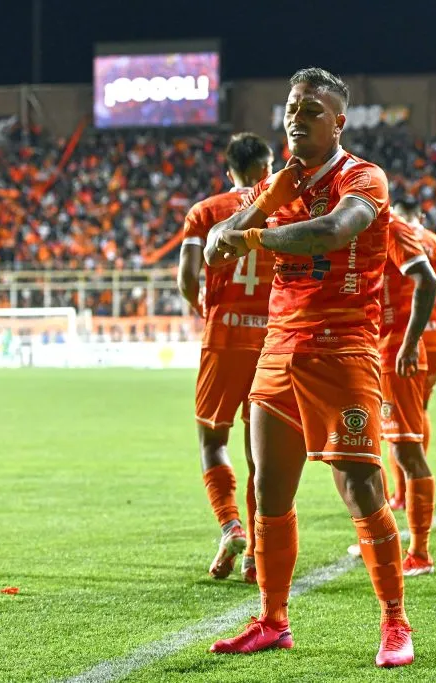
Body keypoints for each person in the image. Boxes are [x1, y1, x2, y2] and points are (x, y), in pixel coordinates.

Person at [204, 67, 415, 667]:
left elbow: (332, 230)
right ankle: (273, 619)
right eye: (292, 107)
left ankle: (396, 623)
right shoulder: (279, 182)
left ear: (339, 122)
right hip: (279, 348)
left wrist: (254, 240)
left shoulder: (362, 177)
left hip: (342, 349)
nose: (296, 117)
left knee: (360, 487)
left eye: (312, 110)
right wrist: (236, 222)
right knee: (269, 489)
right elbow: (229, 228)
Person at [178, 133, 281, 583]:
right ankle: (257, 554)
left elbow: (187, 278)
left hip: (224, 336)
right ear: (267, 167)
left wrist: (211, 311)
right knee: (261, 450)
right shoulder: (281, 206)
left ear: (229, 171)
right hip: (273, 339)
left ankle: (230, 525)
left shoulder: (205, 211)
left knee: (211, 441)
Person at [381, 198, 436, 510]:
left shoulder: (391, 233)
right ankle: (410, 486)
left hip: (398, 338)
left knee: (393, 420)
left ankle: (402, 494)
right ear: (422, 215)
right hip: (431, 338)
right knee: (420, 409)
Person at [372, 208, 436, 576]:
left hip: (398, 354)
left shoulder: (393, 228)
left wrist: (411, 343)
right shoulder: (367, 230)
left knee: (407, 451)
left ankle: (421, 551)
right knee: (378, 450)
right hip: (380, 352)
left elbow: (429, 282)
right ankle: (380, 540)